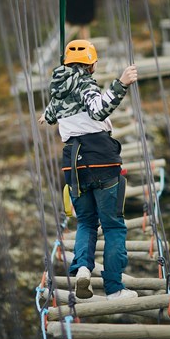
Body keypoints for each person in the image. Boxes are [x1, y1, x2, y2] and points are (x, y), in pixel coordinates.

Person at [38, 39, 138, 300]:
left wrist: (50, 116)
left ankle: (82, 268)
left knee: (85, 222)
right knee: (113, 226)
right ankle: (115, 288)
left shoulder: (59, 87)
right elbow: (98, 109)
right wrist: (122, 83)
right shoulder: (84, 83)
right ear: (91, 65)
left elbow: (50, 115)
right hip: (101, 157)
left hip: (73, 162)